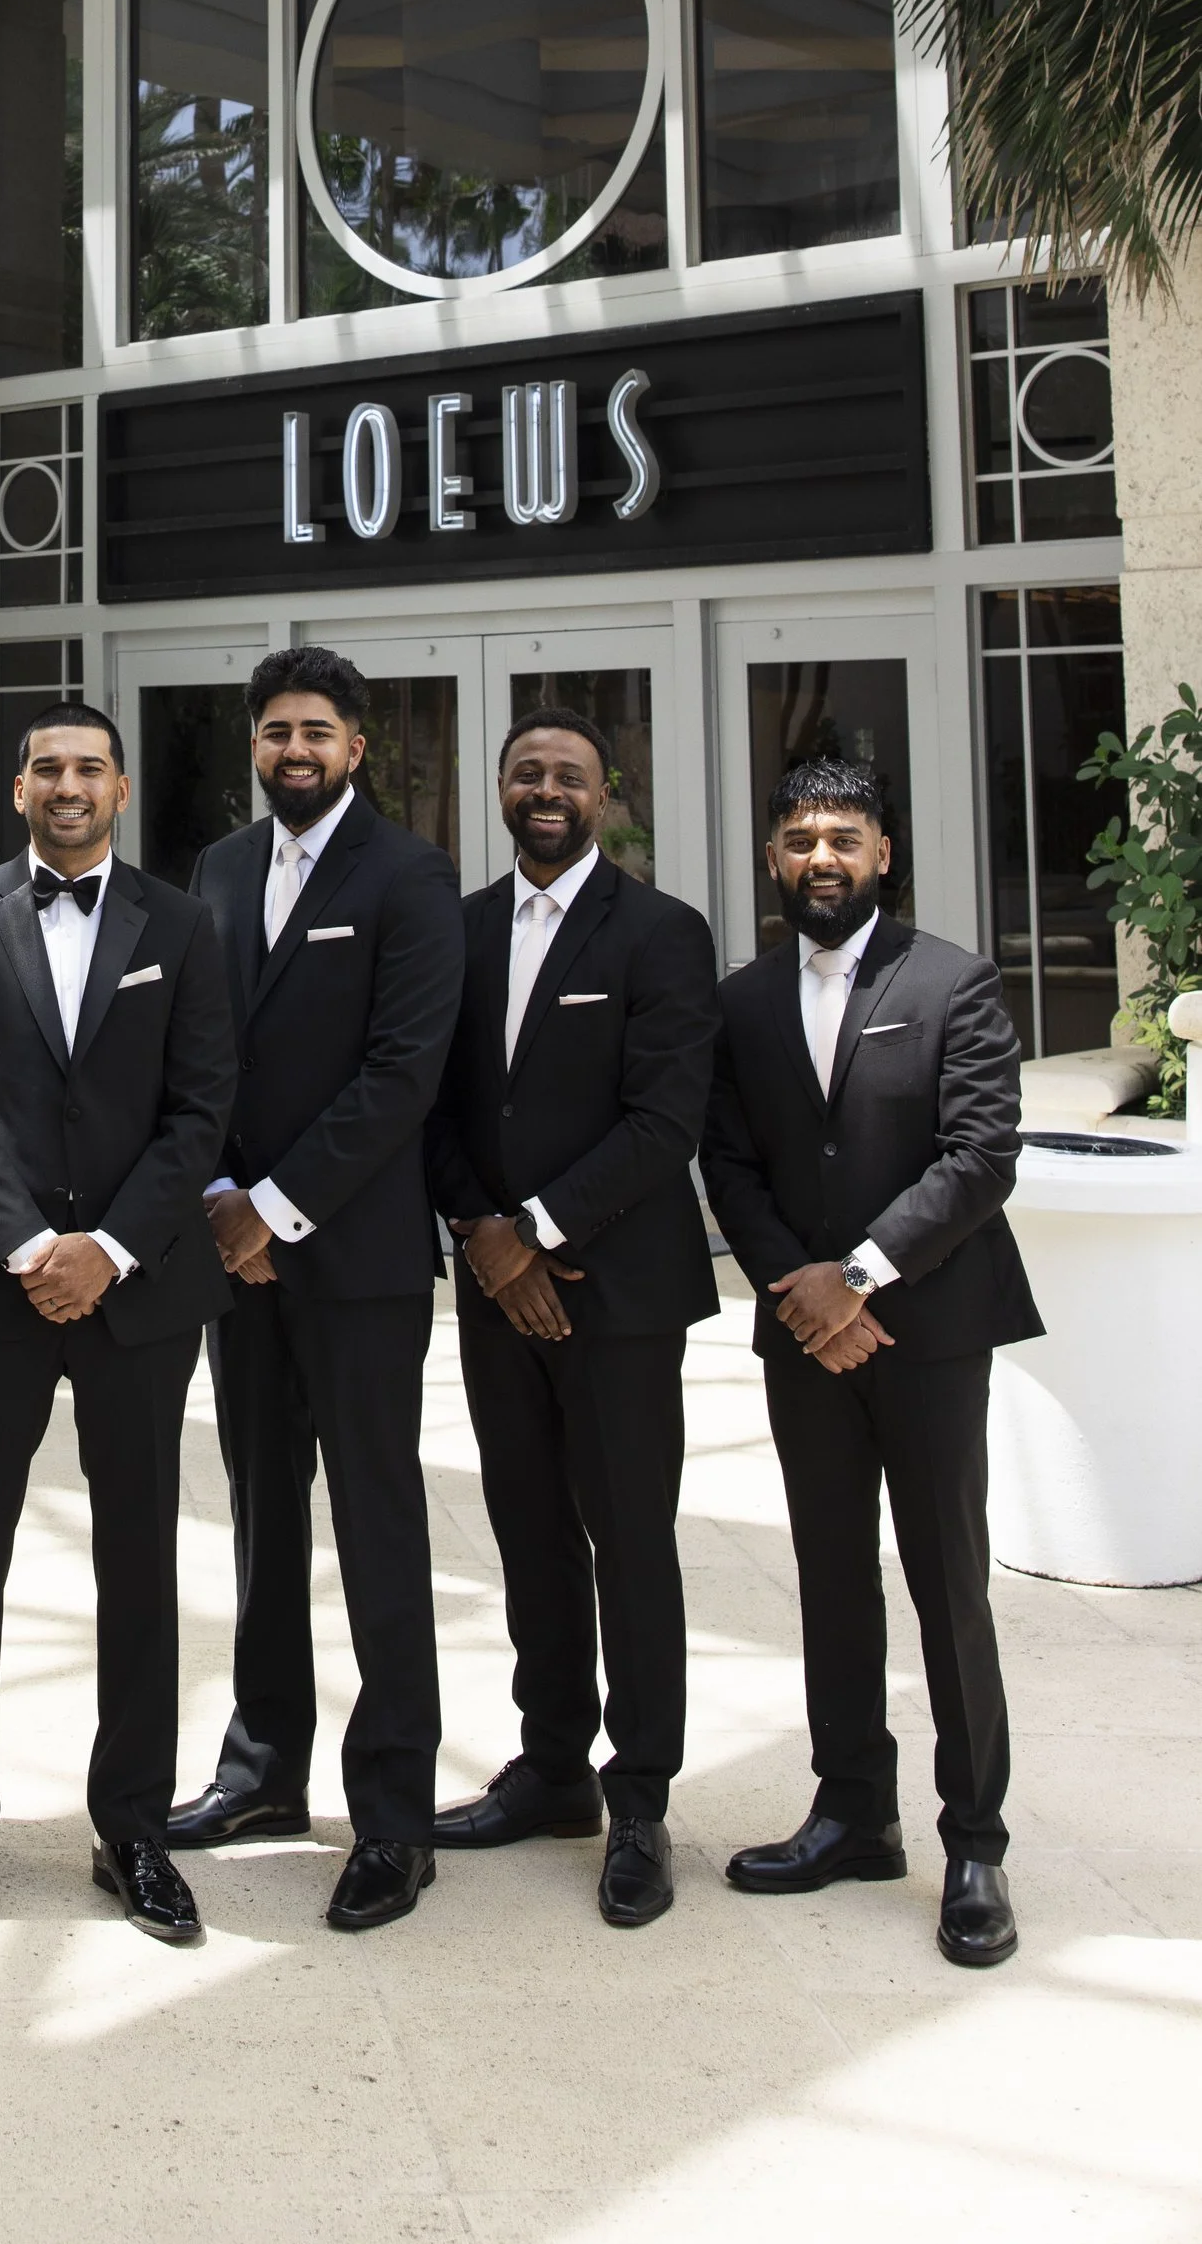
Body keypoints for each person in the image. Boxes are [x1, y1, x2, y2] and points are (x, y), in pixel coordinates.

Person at [0, 706, 236, 1961]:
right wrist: (35, 1249)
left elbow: (201, 1108)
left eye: (90, 767)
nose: (69, 785)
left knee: (140, 1562)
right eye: (47, 766)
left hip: (140, 1293)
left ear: (122, 787)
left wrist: (111, 1251)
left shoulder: (180, 922)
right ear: (20, 783)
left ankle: (132, 1826)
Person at [702, 755, 1039, 1970]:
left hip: (928, 1332)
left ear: (883, 853)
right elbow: (726, 1160)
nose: (820, 859)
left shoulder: (953, 981)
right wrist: (798, 1282)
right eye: (798, 839)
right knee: (830, 1574)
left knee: (945, 1582)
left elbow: (980, 1152)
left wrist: (859, 1274)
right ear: (775, 859)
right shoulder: (740, 1002)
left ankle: (975, 1840)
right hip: (805, 1336)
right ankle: (851, 1812)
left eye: (842, 837)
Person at [169, 647, 465, 1932]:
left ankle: (394, 1811)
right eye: (275, 731)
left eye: (317, 732)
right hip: (236, 1263)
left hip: (354, 1263)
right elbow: (192, 1052)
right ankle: (263, 1769)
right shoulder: (219, 871)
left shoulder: (411, 876)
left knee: (379, 1523)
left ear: (358, 745)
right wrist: (215, 1205)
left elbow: (404, 1073)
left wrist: (270, 1210)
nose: (294, 750)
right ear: (254, 745)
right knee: (258, 1516)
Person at [425, 712, 720, 1930]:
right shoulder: (460, 929)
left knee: (630, 1541)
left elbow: (664, 1121)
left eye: (569, 776)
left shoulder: (661, 933)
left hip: (618, 1298)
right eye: (526, 772)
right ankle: (551, 1770)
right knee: (529, 1531)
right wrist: (480, 1238)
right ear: (500, 789)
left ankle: (640, 1793)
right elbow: (427, 1101)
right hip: (502, 1297)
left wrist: (531, 1230)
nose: (545, 790)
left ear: (606, 795)